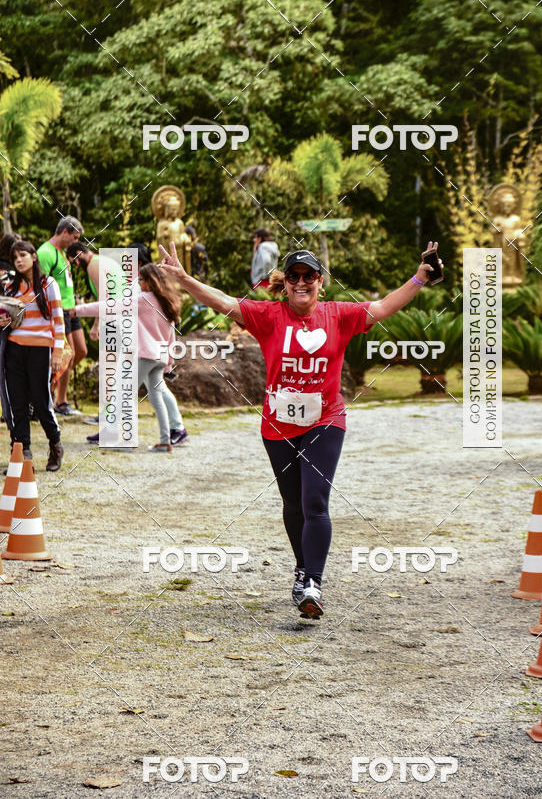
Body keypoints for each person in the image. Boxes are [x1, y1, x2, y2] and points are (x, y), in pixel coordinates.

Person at [159, 239, 442, 619]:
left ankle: (313, 582)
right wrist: (183, 277)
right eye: (294, 277)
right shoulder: (268, 316)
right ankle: (301, 568)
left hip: (325, 420)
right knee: (293, 505)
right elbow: (223, 302)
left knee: (314, 501)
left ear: (321, 281)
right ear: (286, 282)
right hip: (277, 426)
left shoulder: (339, 315)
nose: (301, 282)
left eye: (309, 276)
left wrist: (420, 277)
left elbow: (382, 307)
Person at [75, 263, 188, 451]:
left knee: (125, 393)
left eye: (141, 279)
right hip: (159, 356)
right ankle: (165, 441)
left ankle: (128, 441)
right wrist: (169, 362)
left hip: (144, 354)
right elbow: (171, 336)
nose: (137, 282)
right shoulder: (167, 302)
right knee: (156, 397)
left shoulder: (143, 299)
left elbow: (110, 306)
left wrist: (78, 310)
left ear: (150, 283)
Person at [0, 241, 65, 471]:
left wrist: (58, 351)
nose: (18, 260)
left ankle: (55, 444)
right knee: (17, 404)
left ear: (34, 257)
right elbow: (5, 319)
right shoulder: (10, 288)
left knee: (40, 402)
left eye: (23, 255)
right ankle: (22, 457)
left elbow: (58, 320)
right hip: (14, 349)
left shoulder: (48, 284)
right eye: (15, 257)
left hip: (40, 350)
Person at [37, 216, 86, 416]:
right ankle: (53, 399)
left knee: (80, 351)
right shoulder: (45, 252)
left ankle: (58, 399)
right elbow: (40, 285)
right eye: (75, 238)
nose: (77, 243)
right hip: (59, 311)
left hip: (72, 308)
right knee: (67, 354)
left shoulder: (63, 253)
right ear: (64, 231)